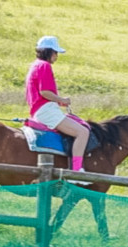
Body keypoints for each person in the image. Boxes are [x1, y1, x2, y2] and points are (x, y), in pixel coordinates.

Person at [25, 35, 89, 172]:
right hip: (46, 111)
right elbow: (44, 92)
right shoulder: (44, 66)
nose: (57, 56)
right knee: (82, 132)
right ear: (48, 51)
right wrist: (62, 100)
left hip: (40, 110)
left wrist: (58, 102)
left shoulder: (35, 65)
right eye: (55, 52)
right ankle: (76, 170)